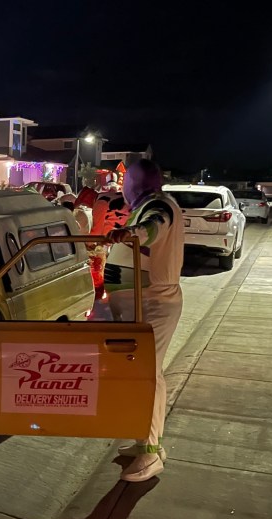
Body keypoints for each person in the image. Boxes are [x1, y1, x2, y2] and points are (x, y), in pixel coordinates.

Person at [104, 159, 184, 482]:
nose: (124, 185)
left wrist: (129, 233)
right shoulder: (146, 205)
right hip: (140, 305)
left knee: (148, 376)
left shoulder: (158, 206)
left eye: (128, 179)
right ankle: (146, 444)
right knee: (147, 375)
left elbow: (154, 227)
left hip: (153, 304)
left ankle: (150, 454)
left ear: (137, 183)